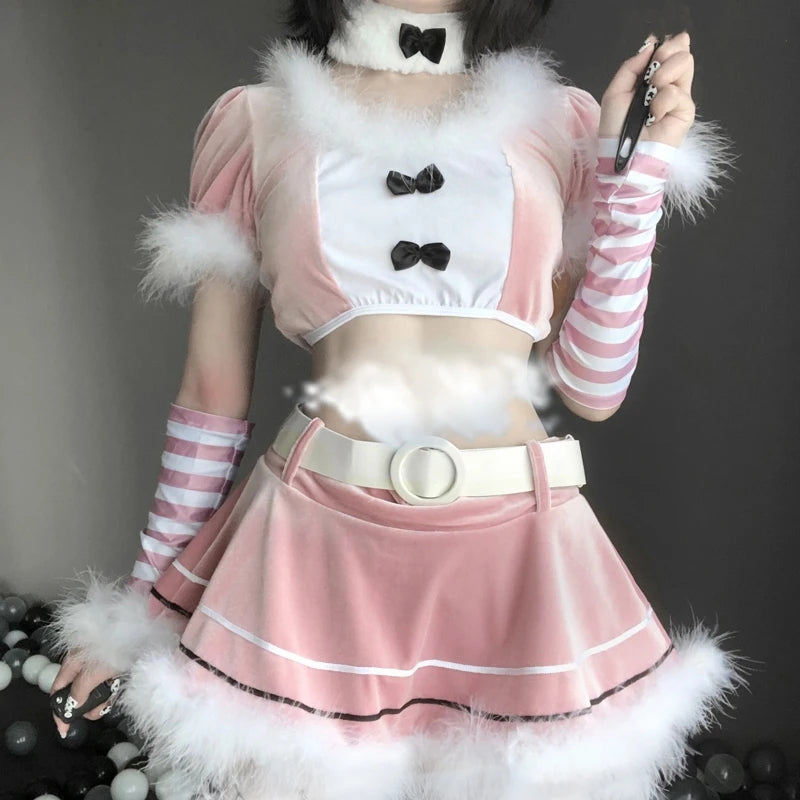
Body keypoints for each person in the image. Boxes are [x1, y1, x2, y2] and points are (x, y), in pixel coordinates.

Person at [49, 0, 748, 797]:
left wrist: (635, 181)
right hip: (315, 547)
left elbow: (591, 389)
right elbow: (212, 392)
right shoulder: (255, 120)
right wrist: (138, 612)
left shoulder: (562, 121)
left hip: (516, 554)